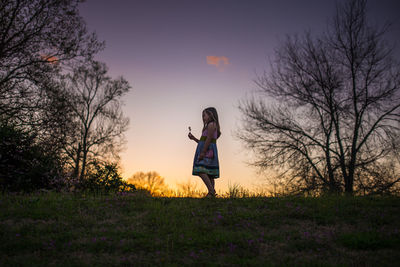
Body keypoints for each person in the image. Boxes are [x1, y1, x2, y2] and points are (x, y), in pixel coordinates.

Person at [188, 107, 221, 197]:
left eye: (204, 115)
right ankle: (211, 194)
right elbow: (202, 142)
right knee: (209, 173)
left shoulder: (212, 125)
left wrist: (203, 152)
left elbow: (209, 140)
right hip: (206, 150)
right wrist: (194, 138)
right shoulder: (208, 126)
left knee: (200, 170)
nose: (203, 117)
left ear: (211, 115)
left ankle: (211, 192)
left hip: (207, 152)